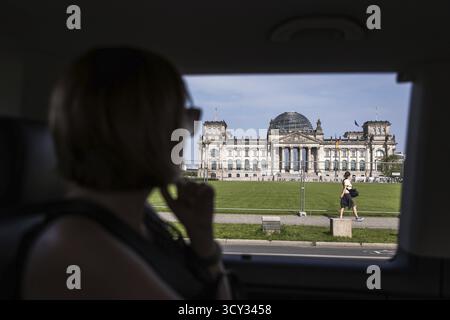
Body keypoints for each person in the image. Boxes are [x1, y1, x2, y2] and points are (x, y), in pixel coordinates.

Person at [21, 47, 231, 299]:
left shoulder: (141, 220)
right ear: (143, 129)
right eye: (185, 113)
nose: (193, 127)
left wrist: (203, 242)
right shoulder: (77, 249)